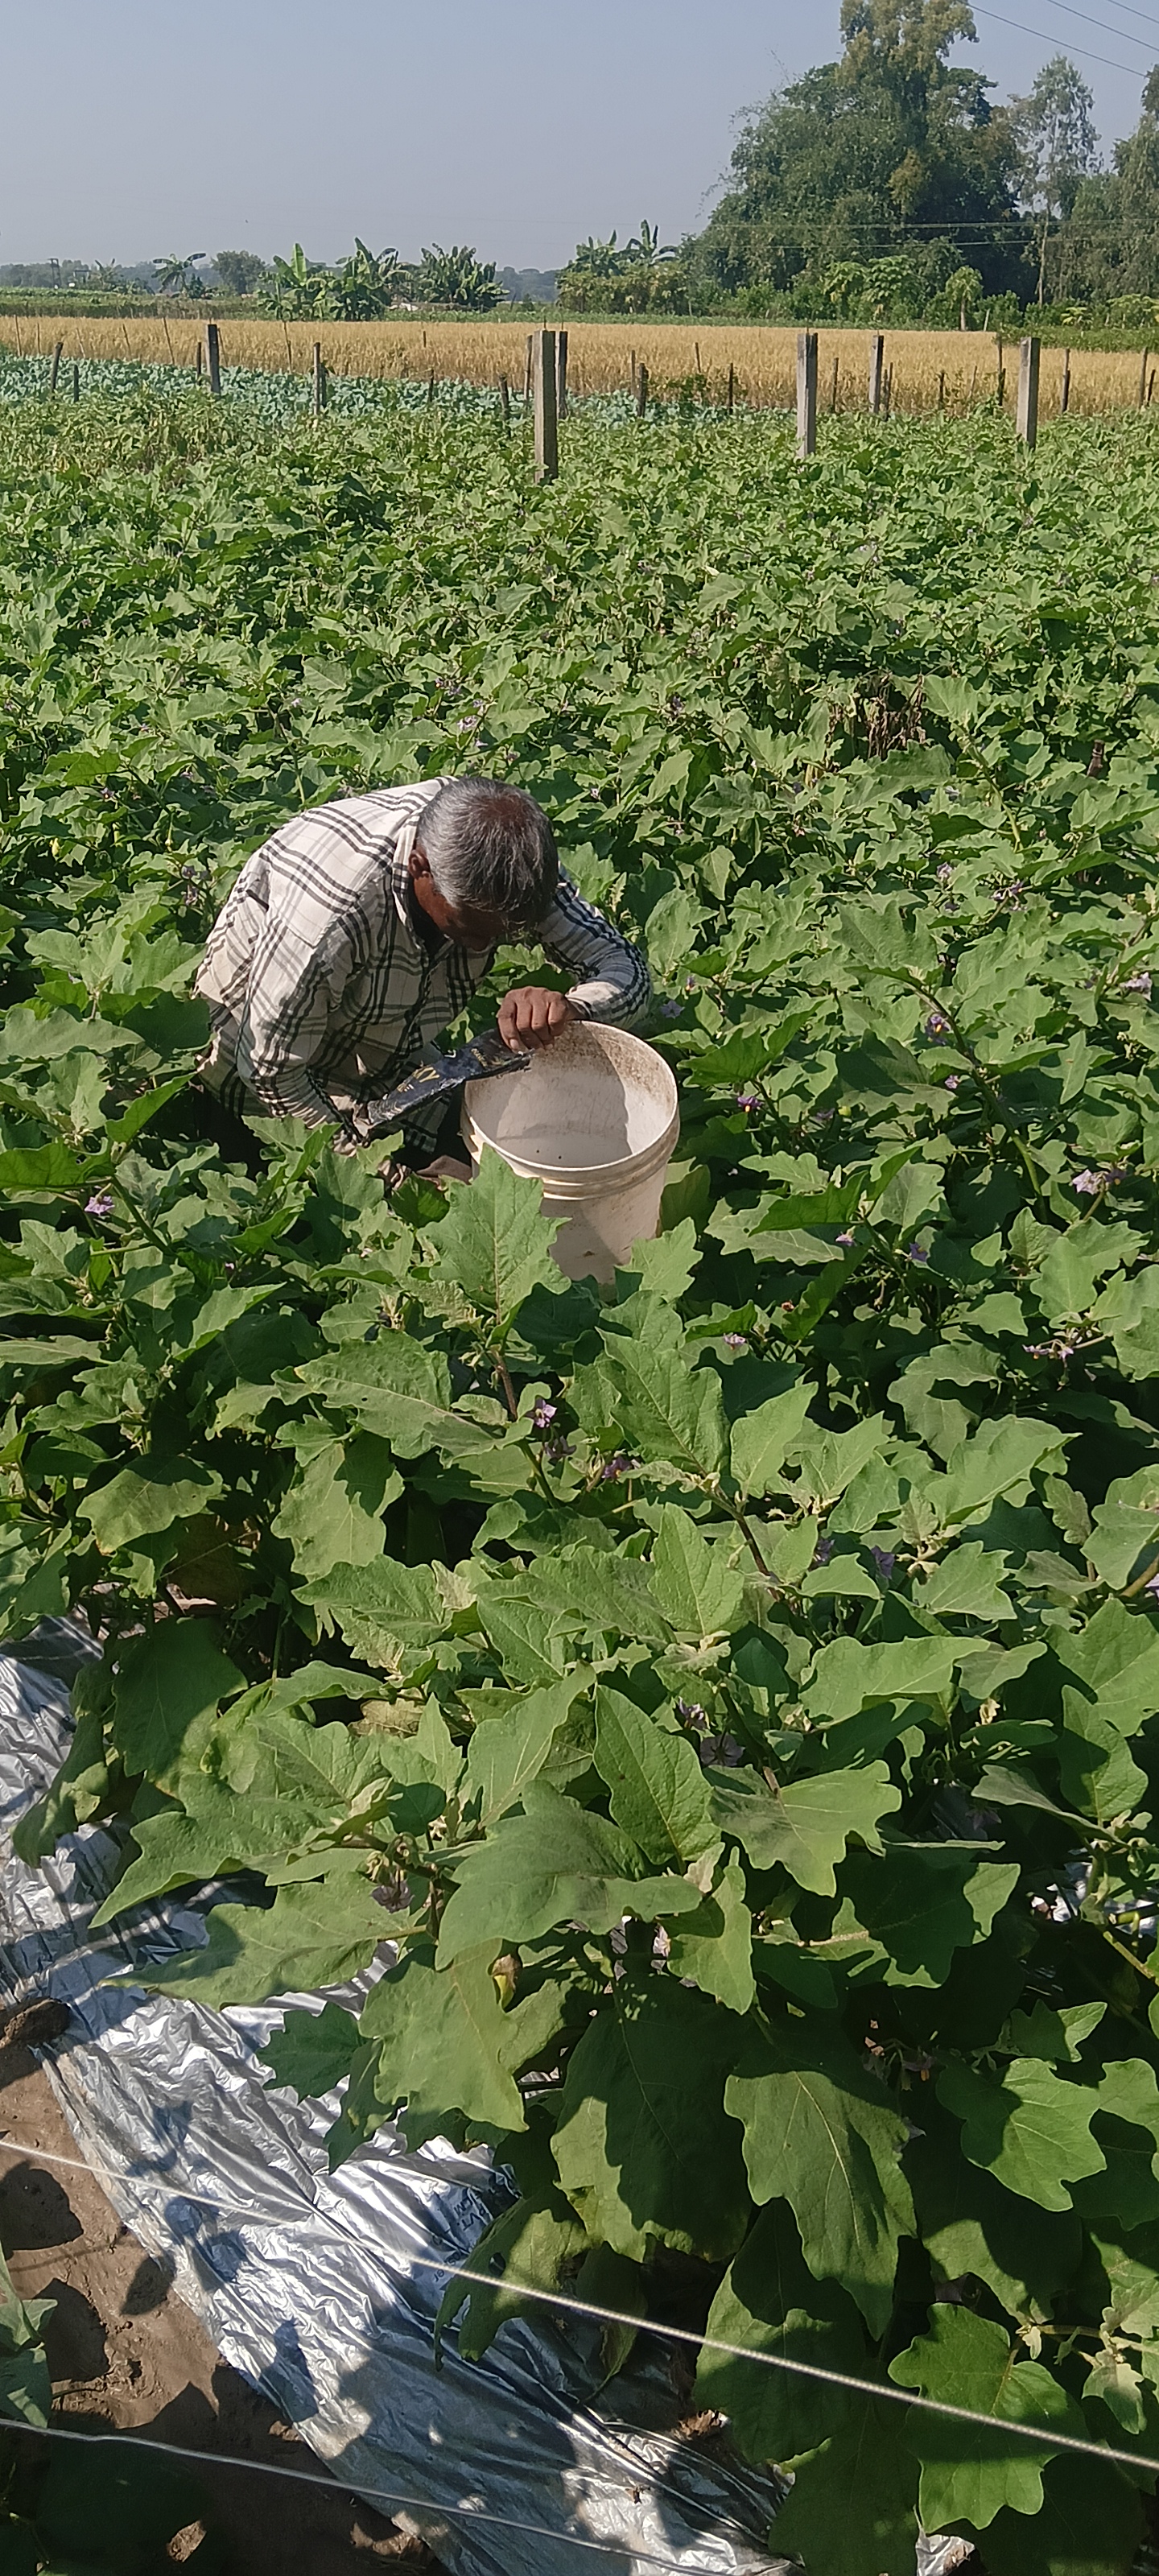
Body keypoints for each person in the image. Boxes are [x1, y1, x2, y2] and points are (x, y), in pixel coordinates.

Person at [194, 774, 650, 1170]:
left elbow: (627, 971)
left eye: (506, 933)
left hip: (384, 1050)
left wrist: (570, 1007)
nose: (486, 945)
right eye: (471, 930)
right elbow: (271, 1072)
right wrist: (390, 1180)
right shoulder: (332, 918)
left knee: (477, 1145)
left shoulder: (509, 857)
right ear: (419, 868)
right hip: (257, 1069)